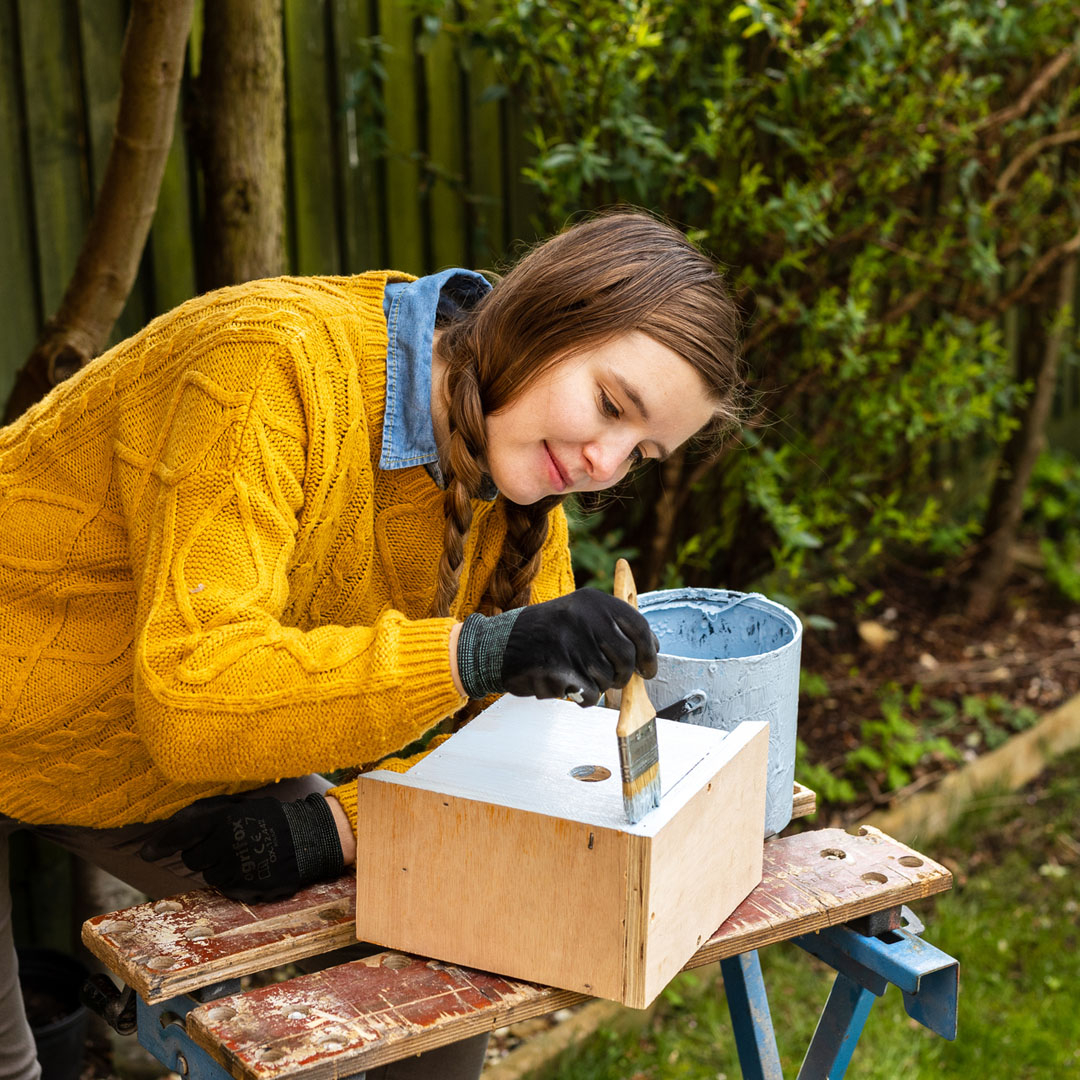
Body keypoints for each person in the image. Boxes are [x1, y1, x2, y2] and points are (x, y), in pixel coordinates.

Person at [0, 210, 742, 1079]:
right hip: (94, 707)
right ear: (546, 315)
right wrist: (475, 653)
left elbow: (501, 755)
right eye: (611, 405)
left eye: (641, 451)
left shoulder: (519, 472)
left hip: (142, 753)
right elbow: (190, 697)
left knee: (437, 974)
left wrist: (337, 830)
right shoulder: (266, 366)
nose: (603, 465)